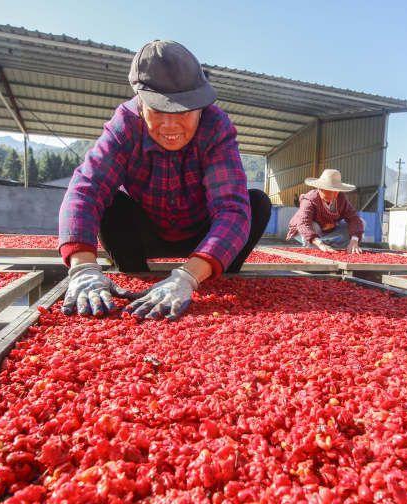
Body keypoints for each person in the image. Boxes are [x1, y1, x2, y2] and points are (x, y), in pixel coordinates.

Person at [58, 40, 271, 321]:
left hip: (203, 234)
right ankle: (134, 285)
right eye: (157, 111)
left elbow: (231, 209)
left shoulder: (216, 128)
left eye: (183, 111)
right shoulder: (125, 125)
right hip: (147, 232)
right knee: (113, 205)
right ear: (140, 101)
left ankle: (211, 278)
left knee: (255, 203)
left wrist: (186, 277)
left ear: (200, 105)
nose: (170, 125)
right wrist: (83, 268)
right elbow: (86, 190)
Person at [286, 169, 364, 253]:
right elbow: (304, 224)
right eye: (329, 190)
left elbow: (354, 219)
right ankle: (315, 245)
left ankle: (337, 246)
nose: (334, 194)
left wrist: (354, 240)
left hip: (327, 230)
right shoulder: (310, 199)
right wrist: (319, 244)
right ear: (320, 189)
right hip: (306, 230)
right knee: (314, 226)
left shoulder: (341, 198)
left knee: (359, 223)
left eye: (336, 191)